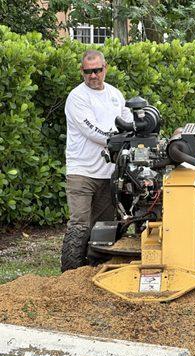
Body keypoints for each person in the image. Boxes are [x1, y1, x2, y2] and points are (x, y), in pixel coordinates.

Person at [61, 49, 132, 271]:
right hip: (81, 171)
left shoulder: (115, 95)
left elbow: (127, 120)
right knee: (79, 225)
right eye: (88, 71)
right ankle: (72, 272)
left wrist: (132, 135)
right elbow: (91, 130)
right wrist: (118, 141)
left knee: (104, 226)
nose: (93, 76)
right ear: (82, 71)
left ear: (105, 68)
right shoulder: (77, 97)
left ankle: (96, 268)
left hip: (109, 173)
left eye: (97, 70)